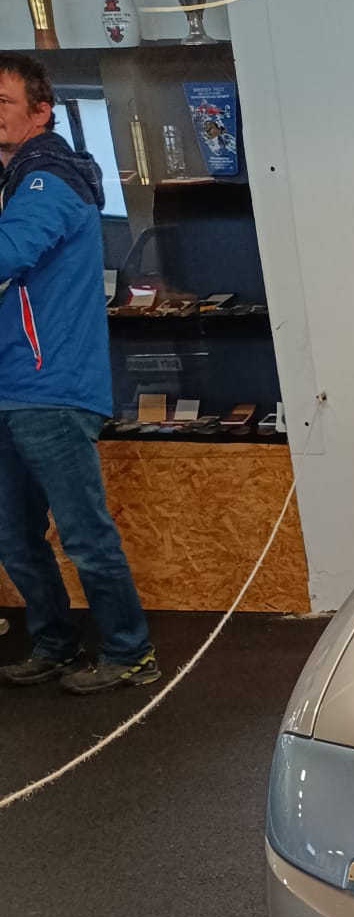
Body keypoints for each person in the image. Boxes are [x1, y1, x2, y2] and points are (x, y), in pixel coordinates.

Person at [0, 52, 158, 693]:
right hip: (11, 388)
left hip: (52, 387)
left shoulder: (50, 177)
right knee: (14, 535)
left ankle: (130, 652)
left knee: (84, 534)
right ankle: (55, 644)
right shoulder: (14, 183)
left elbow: (9, 251)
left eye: (3, 102)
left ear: (41, 111)